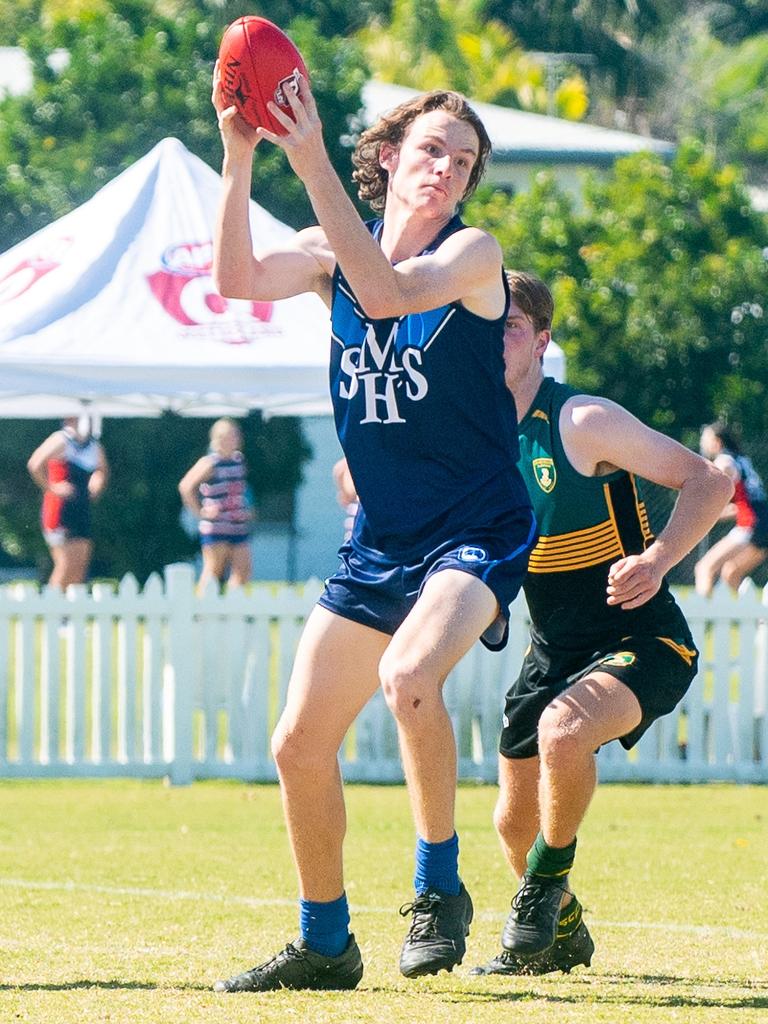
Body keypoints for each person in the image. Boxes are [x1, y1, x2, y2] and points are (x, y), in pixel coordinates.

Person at [210, 69, 536, 992]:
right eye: (432, 149)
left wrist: (304, 155)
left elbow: (389, 292)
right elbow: (235, 279)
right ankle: (325, 943)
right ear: (389, 158)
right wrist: (240, 158)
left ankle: (440, 887)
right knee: (297, 744)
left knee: (408, 677)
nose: (448, 169)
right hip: (384, 536)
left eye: (464, 160)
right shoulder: (327, 254)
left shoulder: (474, 254)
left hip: (475, 524)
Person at [470, 272, 733, 977]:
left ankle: (548, 883)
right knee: (509, 823)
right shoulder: (473, 432)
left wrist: (659, 559)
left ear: (541, 341)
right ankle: (564, 932)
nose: (496, 339)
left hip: (642, 636)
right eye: (483, 324)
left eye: (512, 327)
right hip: (551, 646)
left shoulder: (580, 420)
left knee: (564, 731)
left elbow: (712, 481)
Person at [27, 415, 108, 588]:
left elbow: (101, 469)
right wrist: (52, 487)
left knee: (79, 565)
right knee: (65, 564)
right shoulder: (60, 439)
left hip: (81, 509)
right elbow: (35, 464)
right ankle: (53, 608)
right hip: (60, 510)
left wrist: (97, 483)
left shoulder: (93, 445)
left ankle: (68, 611)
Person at [178, 418, 253, 591]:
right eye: (230, 436)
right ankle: (202, 613)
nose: (235, 439)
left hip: (237, 523)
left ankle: (232, 607)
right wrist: (201, 512)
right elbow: (186, 486)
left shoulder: (238, 461)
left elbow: (240, 490)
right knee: (213, 570)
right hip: (217, 525)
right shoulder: (209, 462)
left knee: (243, 569)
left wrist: (245, 508)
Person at [694, 422, 768, 595]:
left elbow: (716, 487)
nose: (702, 443)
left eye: (706, 439)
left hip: (751, 525)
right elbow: (740, 506)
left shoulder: (724, 461)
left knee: (704, 567)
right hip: (762, 522)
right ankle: (752, 620)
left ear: (717, 442)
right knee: (731, 572)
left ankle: (702, 617)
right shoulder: (742, 459)